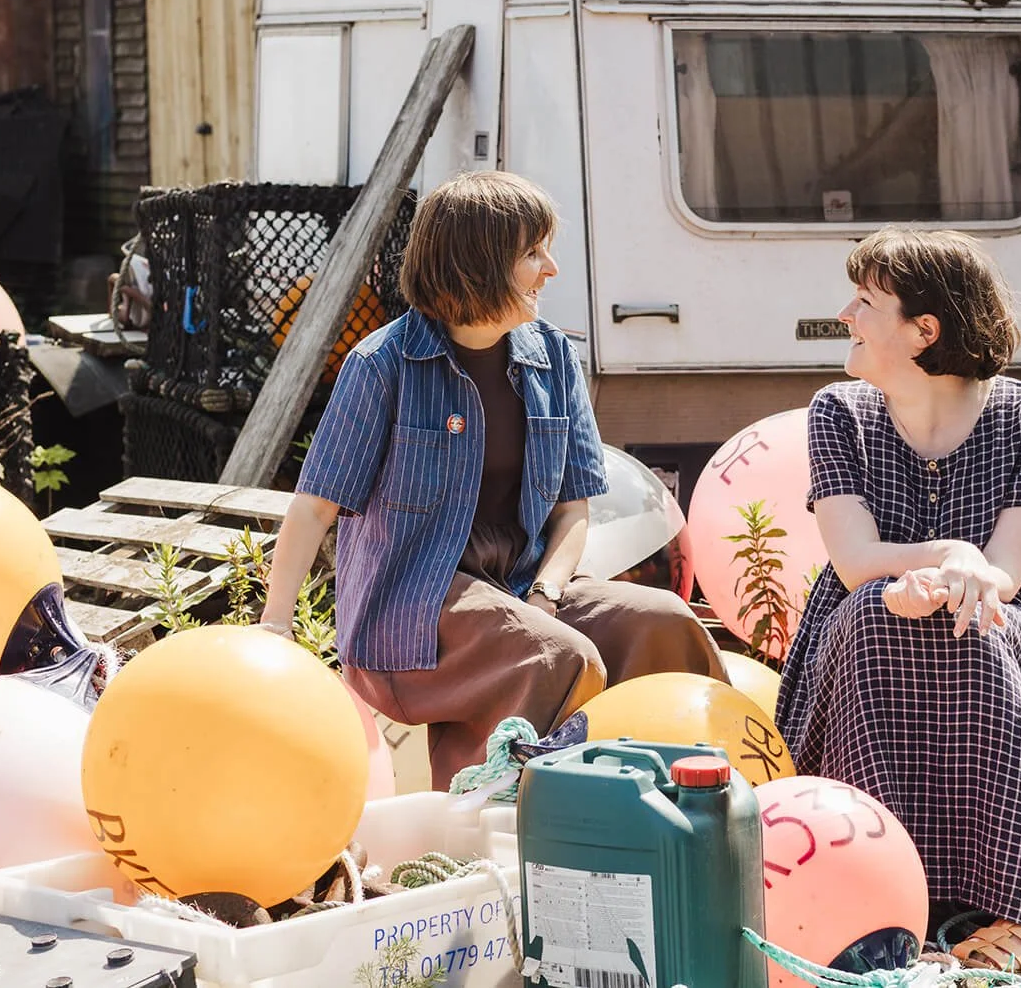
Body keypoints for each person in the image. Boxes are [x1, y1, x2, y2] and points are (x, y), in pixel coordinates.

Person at [260, 171, 725, 790]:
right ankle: (492, 823)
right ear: (477, 262)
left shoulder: (554, 356)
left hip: (525, 590)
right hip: (411, 613)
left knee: (665, 620)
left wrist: (549, 592)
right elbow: (314, 508)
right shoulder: (381, 365)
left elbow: (572, 507)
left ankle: (700, 797)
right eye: (532, 252)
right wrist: (275, 629)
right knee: (555, 656)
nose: (551, 269)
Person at [774, 228, 1021, 972]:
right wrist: (948, 555)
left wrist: (960, 578)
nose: (846, 313)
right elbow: (854, 561)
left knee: (973, 619)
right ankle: (871, 891)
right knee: (875, 611)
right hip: (866, 622)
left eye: (867, 302)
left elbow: (1007, 568)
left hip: (1001, 620)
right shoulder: (839, 412)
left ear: (924, 330)